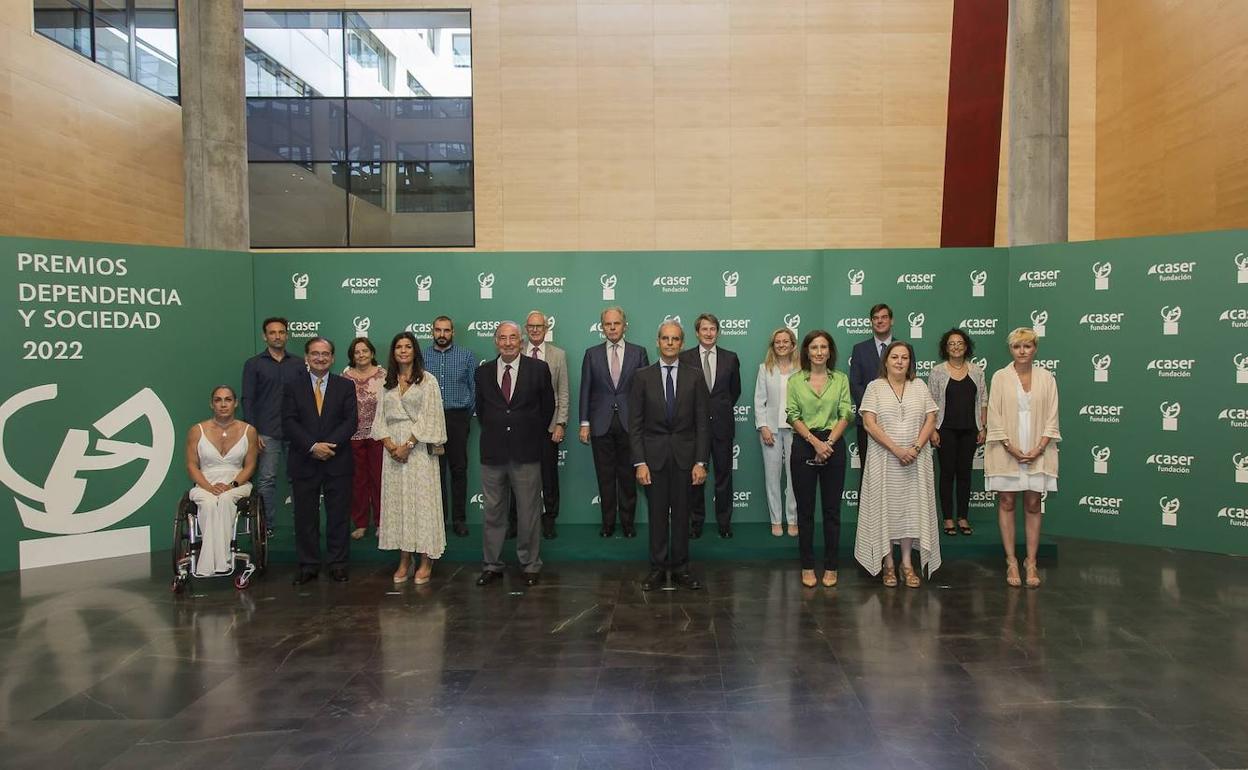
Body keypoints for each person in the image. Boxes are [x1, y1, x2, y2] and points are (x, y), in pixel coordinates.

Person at [474, 322, 556, 587]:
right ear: (495, 341)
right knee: (493, 513)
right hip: (493, 452)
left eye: (512, 338)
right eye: (502, 338)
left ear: (521, 341)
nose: (507, 343)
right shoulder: (483, 372)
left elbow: (547, 408)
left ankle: (530, 565)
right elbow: (482, 410)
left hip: (527, 452)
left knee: (528, 512)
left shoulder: (538, 369)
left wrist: (526, 431)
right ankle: (492, 565)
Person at [630, 321, 709, 592]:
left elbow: (702, 423)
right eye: (665, 338)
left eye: (675, 339)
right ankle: (657, 568)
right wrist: (640, 463)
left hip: (687, 459)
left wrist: (701, 462)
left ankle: (680, 569)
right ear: (658, 341)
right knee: (657, 515)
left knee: (682, 515)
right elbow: (636, 424)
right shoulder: (642, 376)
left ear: (682, 343)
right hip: (653, 460)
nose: (670, 343)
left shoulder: (695, 376)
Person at [854, 341, 941, 589]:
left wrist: (914, 448)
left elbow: (931, 418)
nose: (900, 361)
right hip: (885, 459)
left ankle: (906, 564)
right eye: (895, 357)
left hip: (915, 460)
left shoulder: (920, 386)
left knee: (910, 512)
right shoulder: (875, 387)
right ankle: (888, 564)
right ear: (886, 361)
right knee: (886, 511)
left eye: (905, 357)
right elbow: (869, 424)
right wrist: (896, 449)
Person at [985, 327, 1060, 589]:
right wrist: (1008, 445)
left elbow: (1052, 415)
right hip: (1007, 449)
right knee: (1006, 501)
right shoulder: (1000, 377)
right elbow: (993, 414)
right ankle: (1011, 561)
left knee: (1033, 503)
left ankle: (1031, 561)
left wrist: (1040, 447)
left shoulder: (1047, 377)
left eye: (1027, 346)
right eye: (1017, 347)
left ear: (1035, 349)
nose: (1022, 351)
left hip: (1039, 449)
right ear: (1011, 350)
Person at [372, 332, 447, 585]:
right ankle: (405, 558)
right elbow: (379, 419)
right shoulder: (386, 382)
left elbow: (431, 417)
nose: (403, 351)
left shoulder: (428, 381)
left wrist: (408, 445)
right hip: (393, 452)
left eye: (408, 346)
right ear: (393, 353)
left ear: (415, 350)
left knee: (422, 504)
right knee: (399, 505)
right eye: (398, 347)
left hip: (418, 451)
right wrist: (391, 445)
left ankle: (426, 558)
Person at [282, 337, 358, 584]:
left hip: (337, 459)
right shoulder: (292, 385)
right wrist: (313, 446)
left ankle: (338, 563)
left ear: (333, 358)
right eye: (315, 353)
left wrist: (328, 446)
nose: (320, 358)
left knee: (338, 515)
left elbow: (350, 422)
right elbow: (289, 421)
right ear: (306, 357)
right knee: (305, 516)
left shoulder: (345, 386)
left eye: (325, 354)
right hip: (304, 459)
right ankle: (308, 564)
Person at [785, 330, 854, 588]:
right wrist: (815, 443)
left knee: (832, 510)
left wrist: (828, 443)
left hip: (833, 444)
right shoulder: (795, 380)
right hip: (804, 445)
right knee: (805, 511)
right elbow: (791, 415)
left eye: (824, 347)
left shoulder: (840, 380)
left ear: (830, 351)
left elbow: (846, 412)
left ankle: (832, 565)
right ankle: (806, 565)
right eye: (814, 347)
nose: (819, 352)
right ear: (806, 351)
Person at [579, 307, 649, 538]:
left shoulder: (639, 353)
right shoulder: (591, 354)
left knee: (629, 478)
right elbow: (586, 389)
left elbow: (645, 392)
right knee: (605, 477)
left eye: (616, 323)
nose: (612, 327)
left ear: (624, 325)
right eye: (607, 324)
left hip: (630, 424)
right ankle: (607, 524)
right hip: (601, 424)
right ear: (602, 327)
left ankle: (628, 525)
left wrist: (644, 423)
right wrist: (584, 422)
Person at [507, 310, 569, 540]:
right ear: (525, 328)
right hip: (518, 428)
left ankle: (549, 520)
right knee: (515, 475)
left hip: (548, 427)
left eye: (539, 326)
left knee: (549, 476)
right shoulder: (514, 352)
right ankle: (514, 522)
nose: (534, 330)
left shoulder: (558, 355)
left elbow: (563, 392)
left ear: (546, 328)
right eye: (531, 326)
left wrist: (560, 423)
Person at [241, 316, 306, 534]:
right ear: (265, 336)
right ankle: (266, 526)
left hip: (295, 431)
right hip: (266, 431)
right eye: (272, 332)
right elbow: (248, 399)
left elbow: (306, 397)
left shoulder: (298, 364)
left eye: (281, 332)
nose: (277, 336)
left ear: (287, 335)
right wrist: (252, 431)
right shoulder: (253, 364)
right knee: (267, 479)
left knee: (297, 478)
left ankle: (302, 526)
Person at [186, 386, 258, 577]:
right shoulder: (197, 430)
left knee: (226, 500)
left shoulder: (249, 431)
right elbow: (192, 465)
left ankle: (223, 561)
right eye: (218, 400)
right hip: (204, 483)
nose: (223, 404)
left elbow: (250, 466)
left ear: (235, 403)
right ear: (212, 404)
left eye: (227, 399)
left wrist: (232, 485)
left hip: (237, 484)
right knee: (208, 503)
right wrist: (209, 487)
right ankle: (210, 563)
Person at [681, 313, 742, 539]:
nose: (708, 333)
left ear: (718, 332)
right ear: (697, 332)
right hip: (693, 429)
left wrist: (718, 411)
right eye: (704, 329)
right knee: (695, 477)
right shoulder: (685, 358)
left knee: (723, 476)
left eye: (712, 329)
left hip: (722, 426)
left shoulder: (730, 358)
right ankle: (695, 523)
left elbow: (734, 391)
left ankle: (724, 523)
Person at [928, 328, 988, 537]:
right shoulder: (937, 371)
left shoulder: (977, 371)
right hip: (945, 430)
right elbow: (931, 403)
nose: (956, 346)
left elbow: (983, 401)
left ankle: (962, 516)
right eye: (951, 343)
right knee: (947, 474)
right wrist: (932, 429)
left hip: (970, 430)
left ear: (966, 346)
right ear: (946, 348)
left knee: (964, 474)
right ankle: (947, 519)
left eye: (960, 343)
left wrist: (983, 427)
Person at [425, 315, 477, 538]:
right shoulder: (422, 356)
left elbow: (474, 388)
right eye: (438, 330)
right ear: (432, 332)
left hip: (457, 417)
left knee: (458, 469)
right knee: (434, 471)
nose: (442, 334)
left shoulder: (466, 356)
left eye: (446, 330)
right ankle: (438, 520)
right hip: (430, 418)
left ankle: (458, 519)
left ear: (453, 332)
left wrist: (466, 415)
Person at [754, 327, 800, 537]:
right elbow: (759, 400)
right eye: (777, 342)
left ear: (793, 344)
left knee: (795, 477)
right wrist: (763, 426)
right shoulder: (765, 369)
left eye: (785, 341)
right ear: (773, 346)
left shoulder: (802, 370)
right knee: (772, 477)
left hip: (796, 430)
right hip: (770, 430)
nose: (781, 345)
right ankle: (775, 520)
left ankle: (792, 519)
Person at [343, 337, 385, 540]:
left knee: (379, 480)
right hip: (353, 436)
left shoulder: (383, 375)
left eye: (365, 351)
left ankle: (380, 522)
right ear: (352, 356)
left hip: (378, 435)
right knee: (358, 481)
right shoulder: (345, 377)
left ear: (372, 353)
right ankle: (360, 523)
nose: (361, 355)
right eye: (357, 352)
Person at [849, 304, 898, 477]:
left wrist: (889, 409)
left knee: (896, 473)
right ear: (871, 322)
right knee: (868, 472)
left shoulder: (904, 349)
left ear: (891, 321)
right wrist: (874, 409)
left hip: (897, 422)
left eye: (884, 317)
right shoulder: (859, 349)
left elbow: (908, 383)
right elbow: (855, 384)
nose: (880, 321)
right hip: (868, 422)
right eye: (876, 318)